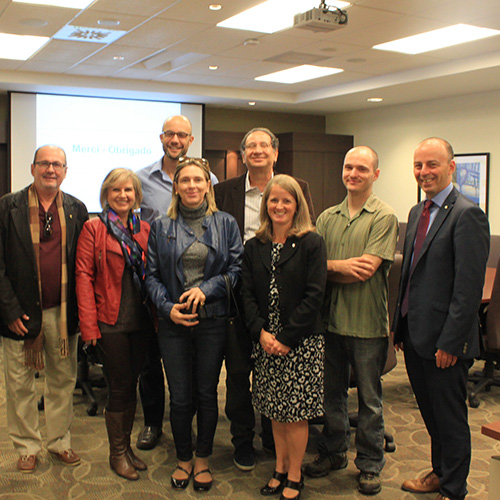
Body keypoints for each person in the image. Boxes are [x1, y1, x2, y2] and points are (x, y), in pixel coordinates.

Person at [393, 138, 490, 500]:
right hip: (416, 335)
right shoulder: (418, 212)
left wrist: (451, 342)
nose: (423, 172)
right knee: (432, 417)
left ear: (451, 166)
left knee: (449, 421)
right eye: (418, 166)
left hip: (444, 342)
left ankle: (453, 488)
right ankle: (438, 473)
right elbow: (411, 278)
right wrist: (401, 327)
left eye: (431, 165)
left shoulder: (467, 214)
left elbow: (467, 291)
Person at [214, 126, 315, 471]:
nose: (257, 151)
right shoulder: (222, 191)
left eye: (264, 145)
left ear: (275, 153)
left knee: (279, 375)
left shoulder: (296, 188)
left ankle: (277, 442)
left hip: (284, 302)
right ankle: (243, 440)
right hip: (239, 299)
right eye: (250, 146)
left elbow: (306, 233)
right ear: (242, 155)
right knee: (240, 374)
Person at [304, 146, 398, 496]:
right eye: (348, 167)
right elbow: (314, 270)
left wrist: (330, 270)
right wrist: (339, 267)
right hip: (329, 322)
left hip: (366, 325)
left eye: (361, 168)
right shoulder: (327, 216)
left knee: (370, 401)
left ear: (375, 174)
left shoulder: (383, 216)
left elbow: (367, 270)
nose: (353, 173)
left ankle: (371, 464)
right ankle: (334, 451)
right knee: (332, 395)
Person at [145, 157, 242, 491]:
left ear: (208, 184)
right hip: (173, 323)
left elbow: (236, 270)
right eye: (185, 181)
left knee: (206, 394)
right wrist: (168, 307)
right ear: (176, 186)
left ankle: (203, 458)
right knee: (181, 396)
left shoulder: (226, 223)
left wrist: (207, 289)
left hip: (212, 321)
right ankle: (184, 458)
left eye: (198, 181)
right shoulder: (160, 226)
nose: (191, 186)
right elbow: (152, 276)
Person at [0, 145, 88, 473]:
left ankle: (59, 441)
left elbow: (82, 265)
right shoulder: (8, 207)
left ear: (65, 171)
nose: (51, 169)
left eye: (57, 164)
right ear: (32, 168)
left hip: (63, 313)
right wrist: (9, 310)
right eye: (45, 163)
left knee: (63, 380)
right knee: (20, 383)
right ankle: (26, 446)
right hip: (20, 316)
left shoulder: (77, 209)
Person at [135, 115, 218, 450]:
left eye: (182, 134)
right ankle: (154, 423)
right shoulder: (141, 179)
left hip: (200, 298)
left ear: (190, 140)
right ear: (161, 137)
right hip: (158, 287)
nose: (176, 139)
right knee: (152, 363)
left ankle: (195, 430)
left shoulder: (207, 178)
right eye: (170, 134)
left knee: (196, 375)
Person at [241, 175, 326, 500]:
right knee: (274, 410)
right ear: (266, 205)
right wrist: (260, 332)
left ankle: (294, 474)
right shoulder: (255, 245)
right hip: (265, 340)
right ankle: (278, 468)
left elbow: (314, 296)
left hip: (301, 342)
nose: (279, 206)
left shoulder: (311, 243)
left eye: (286, 201)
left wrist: (287, 338)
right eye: (273, 200)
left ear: (297, 206)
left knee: (295, 412)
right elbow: (246, 294)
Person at [75, 168, 154, 481]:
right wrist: (89, 327)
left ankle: (127, 448)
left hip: (142, 321)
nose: (123, 195)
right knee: (118, 388)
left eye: (129, 190)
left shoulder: (144, 228)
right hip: (110, 322)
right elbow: (83, 277)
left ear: (137, 195)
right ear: (105, 195)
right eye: (116, 190)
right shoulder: (94, 228)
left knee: (131, 385)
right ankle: (116, 452)